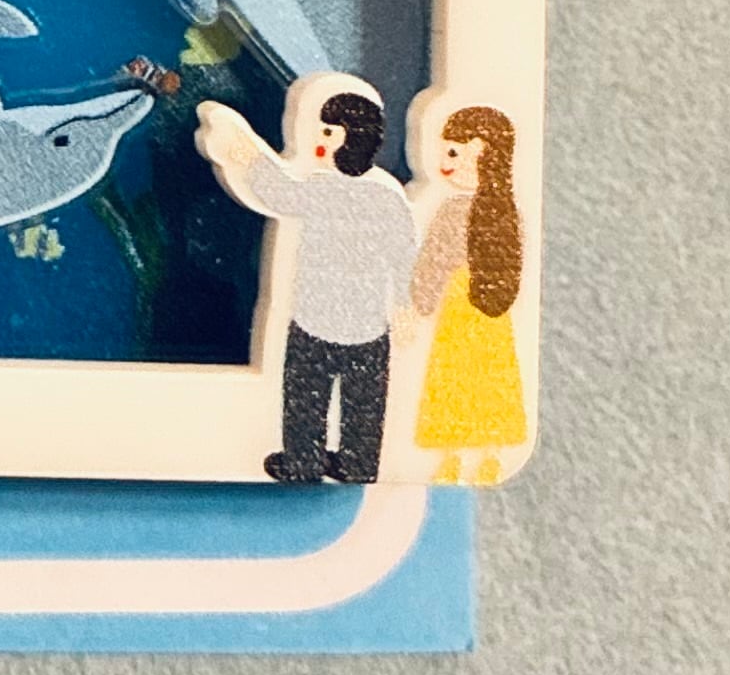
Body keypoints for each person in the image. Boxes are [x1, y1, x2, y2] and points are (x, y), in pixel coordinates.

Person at [196, 81, 419, 485]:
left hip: (319, 318)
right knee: (362, 401)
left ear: (353, 139)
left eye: (329, 132)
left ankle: (304, 459)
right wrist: (403, 306)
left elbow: (281, 194)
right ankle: (357, 461)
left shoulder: (328, 188)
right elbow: (403, 255)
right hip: (366, 324)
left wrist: (251, 157)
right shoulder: (385, 197)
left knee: (307, 393)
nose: (320, 140)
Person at [407, 102, 528, 482]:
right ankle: (476, 454)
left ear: (482, 154)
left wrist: (420, 304)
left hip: (466, 306)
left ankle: (463, 455)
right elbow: (434, 261)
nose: (445, 163)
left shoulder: (463, 212)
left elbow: (434, 262)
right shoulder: (503, 214)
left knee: (460, 377)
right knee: (483, 376)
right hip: (484, 308)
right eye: (447, 152)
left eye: (454, 153)